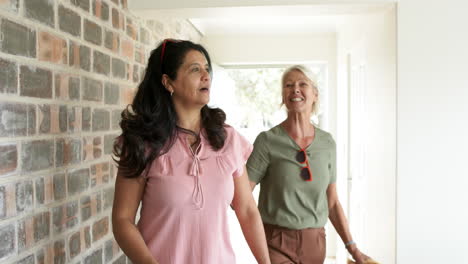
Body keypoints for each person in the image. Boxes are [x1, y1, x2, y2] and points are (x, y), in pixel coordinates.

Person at [112, 39, 271, 264]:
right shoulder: (141, 143)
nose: (206, 75)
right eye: (195, 69)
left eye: (207, 68)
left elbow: (246, 210)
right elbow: (122, 219)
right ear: (169, 82)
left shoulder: (228, 139)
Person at [247, 65, 372, 264]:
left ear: (315, 94)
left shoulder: (327, 143)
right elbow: (242, 197)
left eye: (302, 84)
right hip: (275, 241)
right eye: (288, 85)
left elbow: (332, 202)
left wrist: (354, 249)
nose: (295, 89)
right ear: (283, 96)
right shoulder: (267, 141)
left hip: (315, 244)